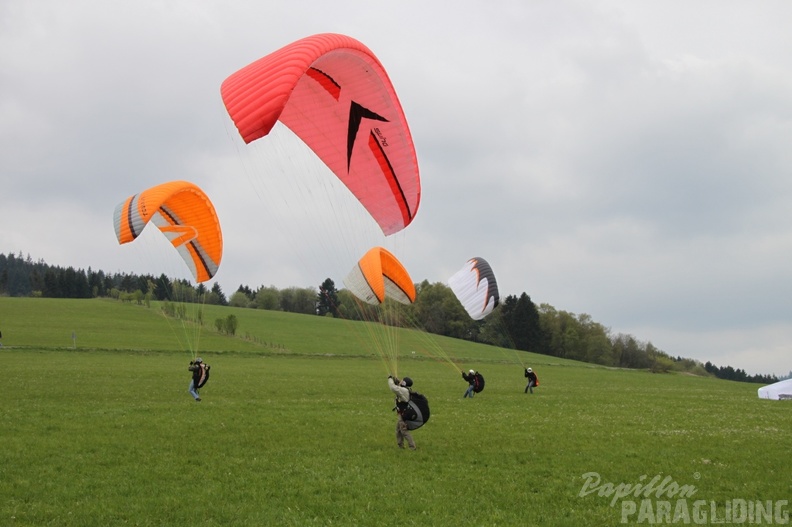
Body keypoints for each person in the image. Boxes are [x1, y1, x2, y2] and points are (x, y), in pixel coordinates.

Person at [388, 375, 416, 450]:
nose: (400, 381)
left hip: (404, 414)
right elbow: (398, 387)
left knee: (403, 431)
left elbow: (393, 388)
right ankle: (400, 446)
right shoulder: (405, 389)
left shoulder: (404, 391)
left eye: (402, 381)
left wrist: (390, 379)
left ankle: (412, 447)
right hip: (402, 413)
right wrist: (396, 381)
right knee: (398, 430)